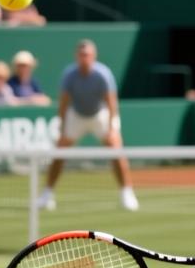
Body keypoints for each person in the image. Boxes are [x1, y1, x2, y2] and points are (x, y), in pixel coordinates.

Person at [36, 39, 139, 211]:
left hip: (100, 115)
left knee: (116, 149)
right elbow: (63, 103)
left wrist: (113, 128)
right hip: (76, 115)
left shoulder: (102, 74)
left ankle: (126, 193)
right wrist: (62, 128)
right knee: (59, 151)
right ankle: (47, 194)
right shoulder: (69, 75)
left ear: (94, 56)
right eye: (82, 55)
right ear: (77, 56)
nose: (85, 58)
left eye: (88, 55)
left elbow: (111, 102)